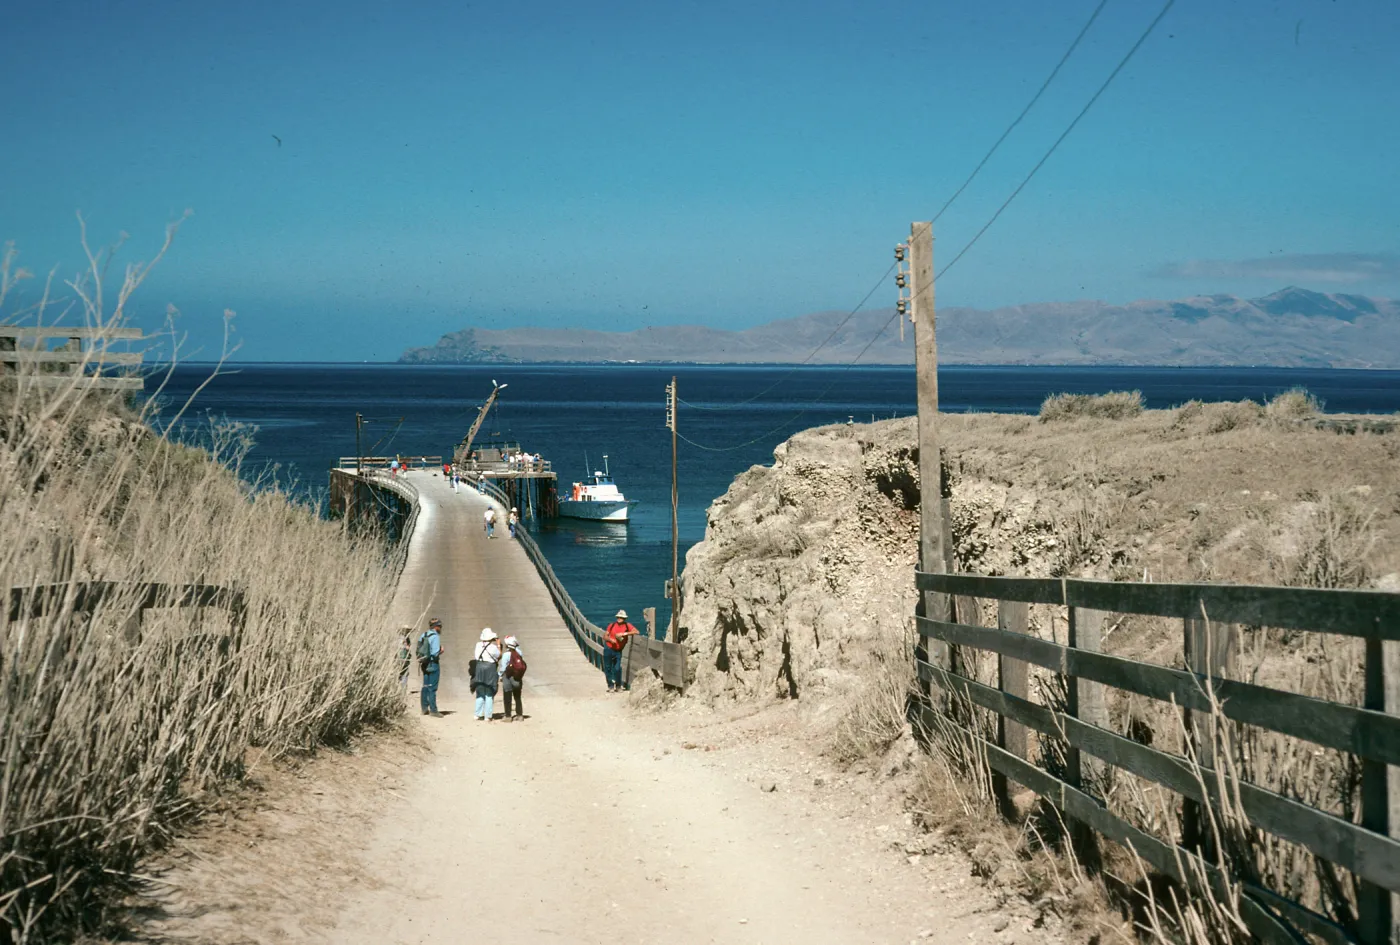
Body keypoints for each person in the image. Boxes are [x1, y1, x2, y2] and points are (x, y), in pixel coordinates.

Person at [602, 609, 638, 693]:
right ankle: (610, 686)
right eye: (618, 617)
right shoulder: (612, 625)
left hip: (618, 650)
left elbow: (636, 631)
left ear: (624, 618)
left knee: (617, 668)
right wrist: (611, 640)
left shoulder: (627, 626)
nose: (619, 618)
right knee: (608, 668)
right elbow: (605, 636)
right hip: (609, 648)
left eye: (621, 617)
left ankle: (618, 686)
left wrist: (624, 634)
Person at [472, 628, 502, 721]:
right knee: (489, 692)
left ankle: (477, 714)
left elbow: (476, 656)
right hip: (490, 669)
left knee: (480, 692)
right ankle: (488, 716)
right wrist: (498, 645)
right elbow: (499, 655)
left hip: (480, 668)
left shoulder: (478, 645)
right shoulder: (493, 647)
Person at [417, 618, 444, 717]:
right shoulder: (435, 636)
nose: (440, 628)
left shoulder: (423, 635)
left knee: (425, 686)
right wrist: (441, 651)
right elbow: (435, 653)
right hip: (433, 664)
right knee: (433, 687)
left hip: (424, 663)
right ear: (436, 627)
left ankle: (424, 708)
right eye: (440, 626)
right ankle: (433, 710)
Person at [499, 635, 526, 721]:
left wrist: (500, 675)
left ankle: (508, 716)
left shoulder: (506, 654)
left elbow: (503, 667)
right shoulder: (519, 652)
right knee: (517, 697)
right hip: (517, 677)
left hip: (508, 677)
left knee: (507, 696)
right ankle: (519, 715)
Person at [397, 629, 413, 694]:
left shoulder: (401, 638)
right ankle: (403, 690)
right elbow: (406, 648)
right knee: (404, 673)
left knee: (401, 673)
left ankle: (401, 689)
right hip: (403, 658)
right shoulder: (403, 639)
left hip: (401, 658)